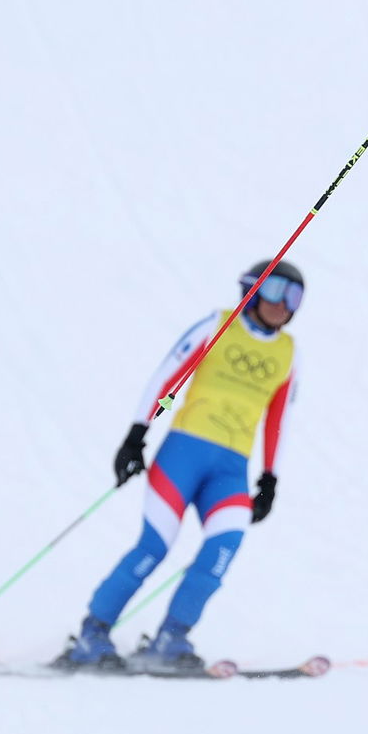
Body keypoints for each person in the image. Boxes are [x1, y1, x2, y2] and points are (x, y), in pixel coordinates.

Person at [52, 260, 303, 673]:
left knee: (223, 549)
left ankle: (173, 636)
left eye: (294, 296)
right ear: (253, 290)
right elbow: (165, 377)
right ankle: (91, 634)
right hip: (181, 459)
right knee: (154, 547)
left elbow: (279, 420)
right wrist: (136, 435)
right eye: (276, 289)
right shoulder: (218, 326)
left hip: (230, 471)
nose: (283, 304)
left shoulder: (288, 353)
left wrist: (269, 479)